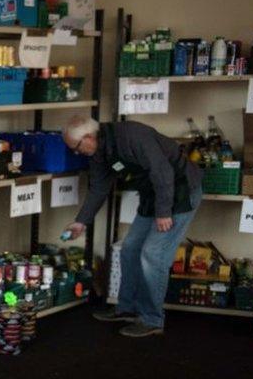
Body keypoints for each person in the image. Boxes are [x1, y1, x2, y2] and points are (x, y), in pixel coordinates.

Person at [61, 116, 203, 337]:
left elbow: (162, 171)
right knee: (130, 249)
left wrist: (164, 212)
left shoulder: (131, 136)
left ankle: (152, 319)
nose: (77, 153)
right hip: (152, 195)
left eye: (77, 147)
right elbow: (99, 187)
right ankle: (127, 308)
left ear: (89, 137)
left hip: (179, 193)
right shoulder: (99, 152)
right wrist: (81, 221)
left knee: (153, 254)